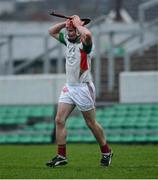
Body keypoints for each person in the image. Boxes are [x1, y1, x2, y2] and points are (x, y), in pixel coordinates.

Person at [46, 15, 113, 168]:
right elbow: (51, 31)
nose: (69, 32)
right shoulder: (67, 41)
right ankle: (61, 156)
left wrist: (76, 24)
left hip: (83, 88)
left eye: (72, 30)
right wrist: (66, 23)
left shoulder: (85, 43)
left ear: (78, 30)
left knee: (90, 123)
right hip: (69, 87)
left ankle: (106, 151)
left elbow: (88, 34)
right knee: (59, 120)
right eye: (68, 30)